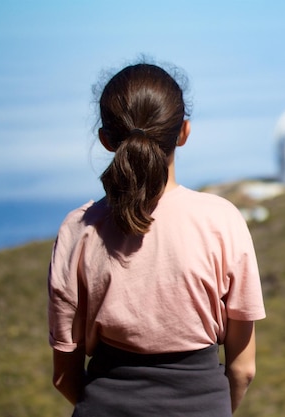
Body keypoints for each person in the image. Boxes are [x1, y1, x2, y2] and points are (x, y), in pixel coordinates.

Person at [48, 62, 266, 416]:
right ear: (184, 132)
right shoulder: (222, 221)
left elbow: (63, 376)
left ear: (106, 140)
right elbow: (243, 369)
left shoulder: (79, 229)